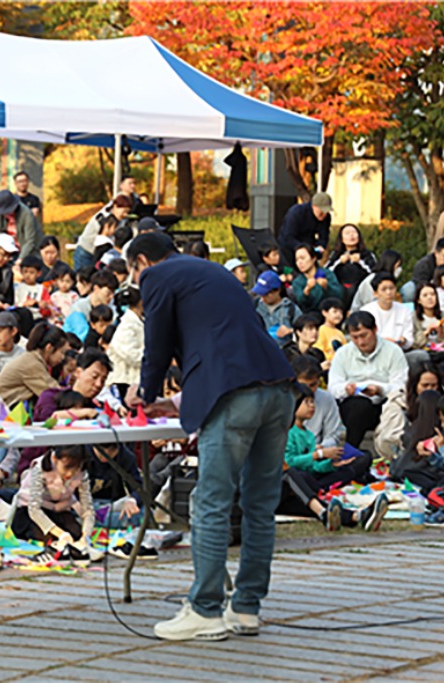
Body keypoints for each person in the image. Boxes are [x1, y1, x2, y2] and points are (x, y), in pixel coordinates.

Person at [122, 232, 294, 641]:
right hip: (278, 389)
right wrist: (180, 402)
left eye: (133, 272)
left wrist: (145, 393)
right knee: (259, 504)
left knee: (211, 501)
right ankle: (247, 607)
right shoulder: (213, 271)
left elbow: (157, 344)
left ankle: (205, 609)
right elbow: (227, 344)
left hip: (234, 398)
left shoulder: (157, 275)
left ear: (142, 262)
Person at [283, 385, 380, 521]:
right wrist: (318, 455)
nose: (312, 406)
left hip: (300, 485)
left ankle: (355, 517)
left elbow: (314, 467)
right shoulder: (286, 432)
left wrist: (332, 464)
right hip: (289, 482)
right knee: (296, 476)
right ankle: (328, 511)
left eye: (313, 402)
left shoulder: (308, 435)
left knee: (353, 465)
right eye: (306, 402)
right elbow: (289, 463)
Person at [327, 312, 409, 448]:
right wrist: (347, 389)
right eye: (355, 337)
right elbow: (333, 387)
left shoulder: (393, 351)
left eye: (364, 335)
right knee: (358, 407)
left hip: (384, 404)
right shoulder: (343, 353)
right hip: (353, 405)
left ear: (375, 330)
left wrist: (380, 389)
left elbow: (401, 385)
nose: (361, 342)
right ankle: (351, 449)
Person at [12, 444, 95, 565]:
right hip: (31, 511)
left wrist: (85, 535)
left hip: (59, 509)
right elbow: (34, 509)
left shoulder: (82, 473)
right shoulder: (40, 469)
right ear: (55, 459)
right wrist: (60, 533)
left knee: (75, 535)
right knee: (48, 538)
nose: (70, 473)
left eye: (76, 468)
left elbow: (88, 508)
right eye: (67, 468)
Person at [0, 322, 67, 409]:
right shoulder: (31, 363)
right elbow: (52, 393)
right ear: (49, 348)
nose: (63, 357)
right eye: (62, 352)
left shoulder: (33, 359)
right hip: (0, 411)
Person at [375, 363, 440, 461]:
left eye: (434, 385)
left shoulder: (443, 399)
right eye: (425, 385)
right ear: (414, 385)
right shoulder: (397, 404)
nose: (430, 389)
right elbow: (389, 438)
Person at [291, 355, 345, 449]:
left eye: (312, 385)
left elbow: (333, 434)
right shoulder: (283, 399)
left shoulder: (326, 398)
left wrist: (321, 448)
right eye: (303, 385)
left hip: (319, 450)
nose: (308, 390)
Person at [74, 195, 131, 271]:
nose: (125, 214)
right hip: (86, 251)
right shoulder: (104, 217)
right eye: (124, 211)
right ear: (115, 206)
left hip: (98, 255)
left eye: (127, 212)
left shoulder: (121, 220)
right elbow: (103, 241)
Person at [326, 224, 376, 310]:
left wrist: (360, 262)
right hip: (340, 292)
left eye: (354, 232)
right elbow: (326, 271)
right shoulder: (336, 254)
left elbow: (374, 273)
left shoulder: (367, 254)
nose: (351, 235)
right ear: (341, 238)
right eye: (347, 233)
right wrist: (339, 262)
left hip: (360, 291)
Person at [277, 192, 332, 268]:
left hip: (309, 245)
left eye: (326, 212)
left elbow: (324, 236)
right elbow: (288, 237)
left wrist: (321, 246)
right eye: (321, 211)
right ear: (313, 206)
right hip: (288, 248)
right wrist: (302, 248)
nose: (324, 215)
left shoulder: (326, 218)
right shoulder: (296, 213)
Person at [361, 273, 413, 350]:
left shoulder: (404, 310)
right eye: (384, 289)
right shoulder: (366, 311)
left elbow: (409, 340)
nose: (388, 292)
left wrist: (404, 341)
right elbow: (365, 339)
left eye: (391, 288)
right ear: (375, 293)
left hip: (399, 351)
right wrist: (383, 342)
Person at [107, 287, 145, 392]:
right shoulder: (127, 325)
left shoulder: (139, 321)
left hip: (136, 378)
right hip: (124, 379)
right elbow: (129, 353)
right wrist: (152, 359)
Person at [251, 270, 300, 349]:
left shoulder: (291, 308)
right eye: (261, 294)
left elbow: (304, 330)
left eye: (266, 294)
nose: (263, 297)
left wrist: (290, 330)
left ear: (277, 290)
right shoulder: (254, 307)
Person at [292, 243, 344, 314]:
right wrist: (307, 290)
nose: (299, 262)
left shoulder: (327, 274)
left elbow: (339, 295)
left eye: (303, 258)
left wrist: (326, 287)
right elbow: (301, 302)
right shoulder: (297, 281)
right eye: (297, 260)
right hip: (310, 315)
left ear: (313, 258)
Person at [0, 189, 43, 262]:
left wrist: (20, 259)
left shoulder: (26, 214)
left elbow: (30, 241)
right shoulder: (1, 213)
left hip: (29, 250)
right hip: (12, 249)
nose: (6, 214)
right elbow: (0, 233)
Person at [350, 249, 403, 314]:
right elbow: (369, 305)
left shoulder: (388, 280)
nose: (399, 269)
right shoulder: (371, 280)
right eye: (398, 266)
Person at [411, 281, 444, 352]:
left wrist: (441, 334)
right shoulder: (413, 318)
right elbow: (412, 344)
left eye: (432, 294)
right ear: (419, 300)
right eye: (425, 295)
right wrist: (426, 332)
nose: (430, 297)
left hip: (442, 355)